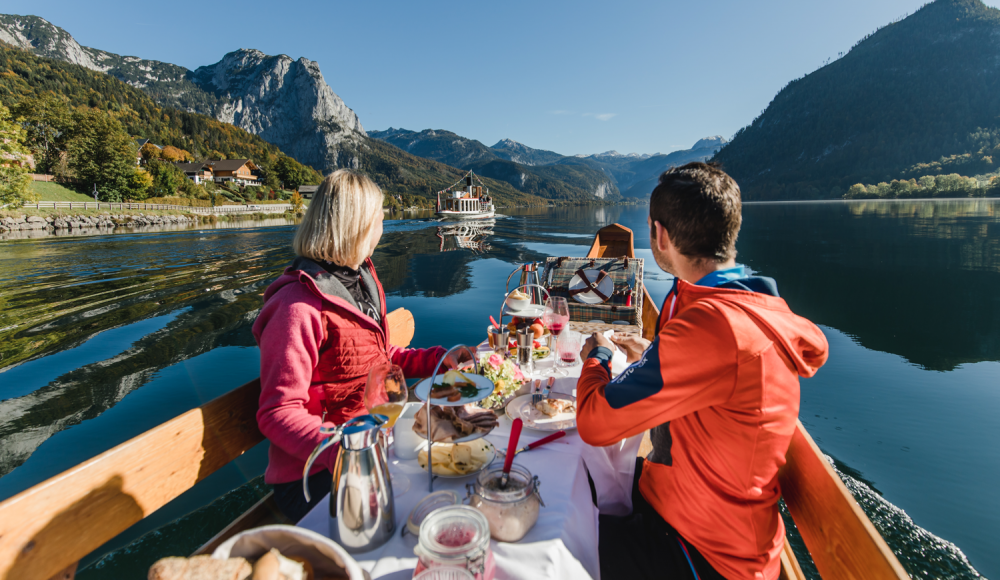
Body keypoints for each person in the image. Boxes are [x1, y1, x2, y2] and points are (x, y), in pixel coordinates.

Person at [577, 162, 829, 580]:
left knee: (554, 532)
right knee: (576, 483)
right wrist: (656, 352)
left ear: (659, 235)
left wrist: (598, 356)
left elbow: (594, 421)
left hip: (704, 553)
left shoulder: (714, 327)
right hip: (700, 512)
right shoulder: (744, 304)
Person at [252, 169, 447, 522]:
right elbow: (278, 412)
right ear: (358, 225)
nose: (384, 222)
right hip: (317, 475)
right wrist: (346, 448)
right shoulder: (297, 308)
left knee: (448, 491)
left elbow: (378, 359)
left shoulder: (359, 282)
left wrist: (439, 359)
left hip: (371, 446)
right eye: (379, 215)